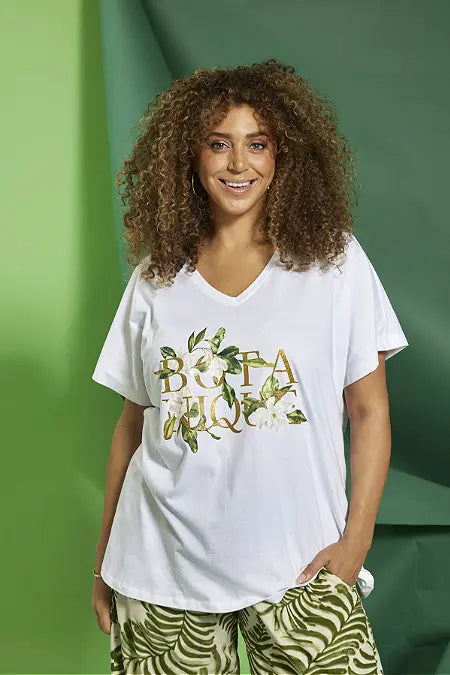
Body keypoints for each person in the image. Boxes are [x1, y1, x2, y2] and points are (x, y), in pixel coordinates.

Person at [91, 59, 409, 674]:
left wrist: (356, 542)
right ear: (190, 157)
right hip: (160, 572)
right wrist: (103, 561)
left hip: (301, 567)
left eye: (257, 144)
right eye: (219, 144)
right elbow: (131, 428)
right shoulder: (156, 278)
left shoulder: (334, 264)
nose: (238, 164)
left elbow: (370, 411)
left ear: (284, 154)